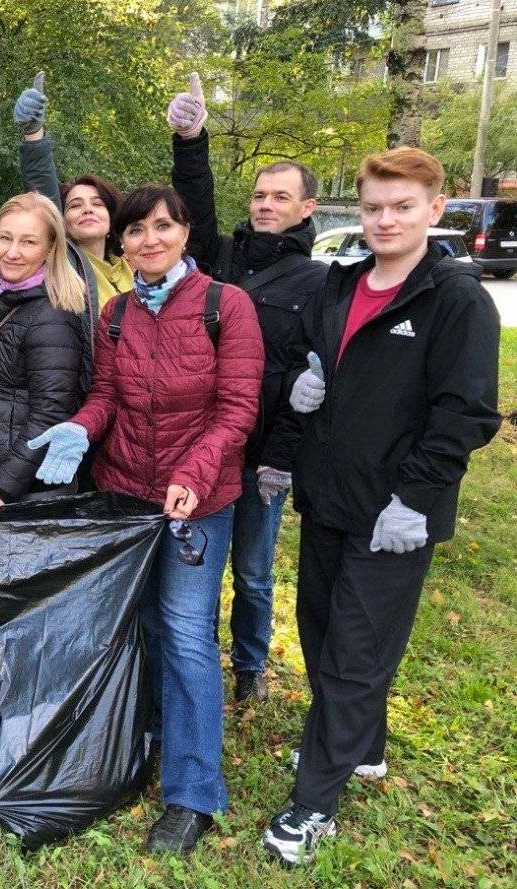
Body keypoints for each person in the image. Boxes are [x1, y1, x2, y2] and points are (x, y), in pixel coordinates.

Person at [258, 148, 500, 865]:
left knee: (354, 657)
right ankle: (364, 748)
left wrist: (417, 497)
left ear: (435, 208)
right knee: (323, 630)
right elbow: (313, 360)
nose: (385, 219)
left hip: (395, 513)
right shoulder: (342, 284)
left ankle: (312, 805)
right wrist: (293, 412)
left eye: (401, 206)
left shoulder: (455, 299)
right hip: (330, 495)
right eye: (372, 206)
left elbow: (466, 412)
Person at [28, 185, 264, 854]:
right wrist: (79, 428)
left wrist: (192, 474)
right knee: (147, 626)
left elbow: (237, 410)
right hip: (127, 493)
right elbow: (106, 395)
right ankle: (153, 736)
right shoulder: (114, 314)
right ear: (121, 243)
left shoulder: (227, 306)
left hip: (200, 498)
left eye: (163, 226)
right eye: (136, 231)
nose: (149, 239)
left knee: (189, 632)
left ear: (185, 233)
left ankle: (193, 793)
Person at [165, 72, 327, 704]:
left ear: (306, 208)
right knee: (195, 565)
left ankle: (251, 666)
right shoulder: (222, 259)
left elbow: (308, 382)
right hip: (207, 446)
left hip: (261, 455)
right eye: (260, 194)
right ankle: (194, 655)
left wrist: (282, 458)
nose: (264, 204)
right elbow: (194, 209)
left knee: (255, 574)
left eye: (279, 197)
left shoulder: (316, 283)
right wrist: (191, 141)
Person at [0, 192, 86, 508]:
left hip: (24, 488)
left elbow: (50, 414)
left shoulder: (53, 316)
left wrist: (1, 490)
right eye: (6, 238)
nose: (12, 252)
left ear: (50, 249)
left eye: (28, 242)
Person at [13, 72, 134, 311]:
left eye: (97, 203)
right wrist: (33, 134)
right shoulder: (64, 263)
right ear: (62, 221)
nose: (87, 208)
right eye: (75, 205)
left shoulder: (133, 269)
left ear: (112, 219)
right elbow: (43, 190)